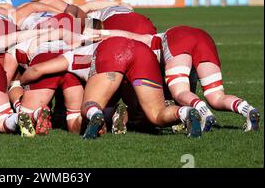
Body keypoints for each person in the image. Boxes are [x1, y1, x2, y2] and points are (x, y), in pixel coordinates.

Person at [20, 36, 203, 139]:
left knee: (90, 104)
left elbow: (38, 69)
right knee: (156, 114)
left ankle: (96, 115)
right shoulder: (87, 47)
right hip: (141, 51)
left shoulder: (72, 56)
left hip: (112, 52)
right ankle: (185, 113)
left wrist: (20, 83)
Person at [94, 26, 261, 132]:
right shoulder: (153, 39)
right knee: (216, 96)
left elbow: (127, 34)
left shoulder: (150, 42)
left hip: (177, 37)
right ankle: (248, 110)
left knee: (180, 92)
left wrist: (101, 33)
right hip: (204, 37)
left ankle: (202, 111)